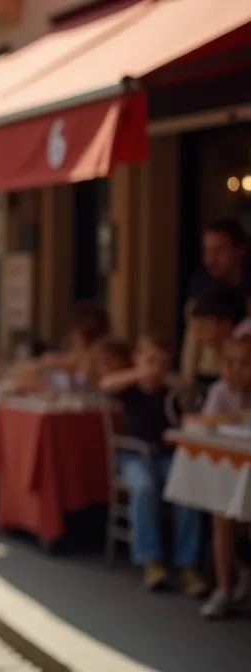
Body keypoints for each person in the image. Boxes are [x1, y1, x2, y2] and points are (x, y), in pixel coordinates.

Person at [98, 335, 207, 597]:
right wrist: (140, 373)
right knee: (144, 487)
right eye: (150, 361)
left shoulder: (170, 393)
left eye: (162, 363)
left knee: (186, 489)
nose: (156, 368)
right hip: (133, 457)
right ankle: (151, 560)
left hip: (165, 457)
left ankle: (188, 564)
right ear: (137, 360)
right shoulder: (130, 389)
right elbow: (105, 384)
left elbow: (191, 406)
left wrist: (177, 384)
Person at [195, 337, 251, 618]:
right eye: (230, 363)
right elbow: (207, 427)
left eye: (245, 364)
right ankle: (223, 588)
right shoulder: (219, 391)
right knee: (221, 517)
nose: (236, 370)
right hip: (229, 471)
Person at [182, 218, 250, 384]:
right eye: (207, 251)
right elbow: (192, 340)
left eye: (219, 251)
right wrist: (187, 380)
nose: (210, 259)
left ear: (240, 249)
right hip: (209, 373)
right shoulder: (201, 284)